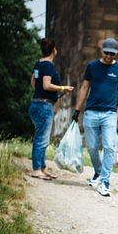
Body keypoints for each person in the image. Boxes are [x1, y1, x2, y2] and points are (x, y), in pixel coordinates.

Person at [73, 37, 118, 196]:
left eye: (112, 54)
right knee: (93, 147)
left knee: (109, 146)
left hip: (109, 114)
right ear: (102, 51)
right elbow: (84, 88)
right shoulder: (92, 67)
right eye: (107, 53)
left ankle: (105, 181)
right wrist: (77, 109)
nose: (109, 56)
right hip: (91, 112)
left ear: (116, 54)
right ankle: (98, 172)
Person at [28, 37, 74, 180]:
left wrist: (42, 93)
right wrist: (63, 87)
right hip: (43, 106)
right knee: (41, 139)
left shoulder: (38, 64)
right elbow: (47, 85)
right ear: (54, 50)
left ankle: (42, 168)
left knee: (42, 138)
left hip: (36, 103)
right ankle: (36, 169)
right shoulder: (48, 66)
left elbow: (33, 82)